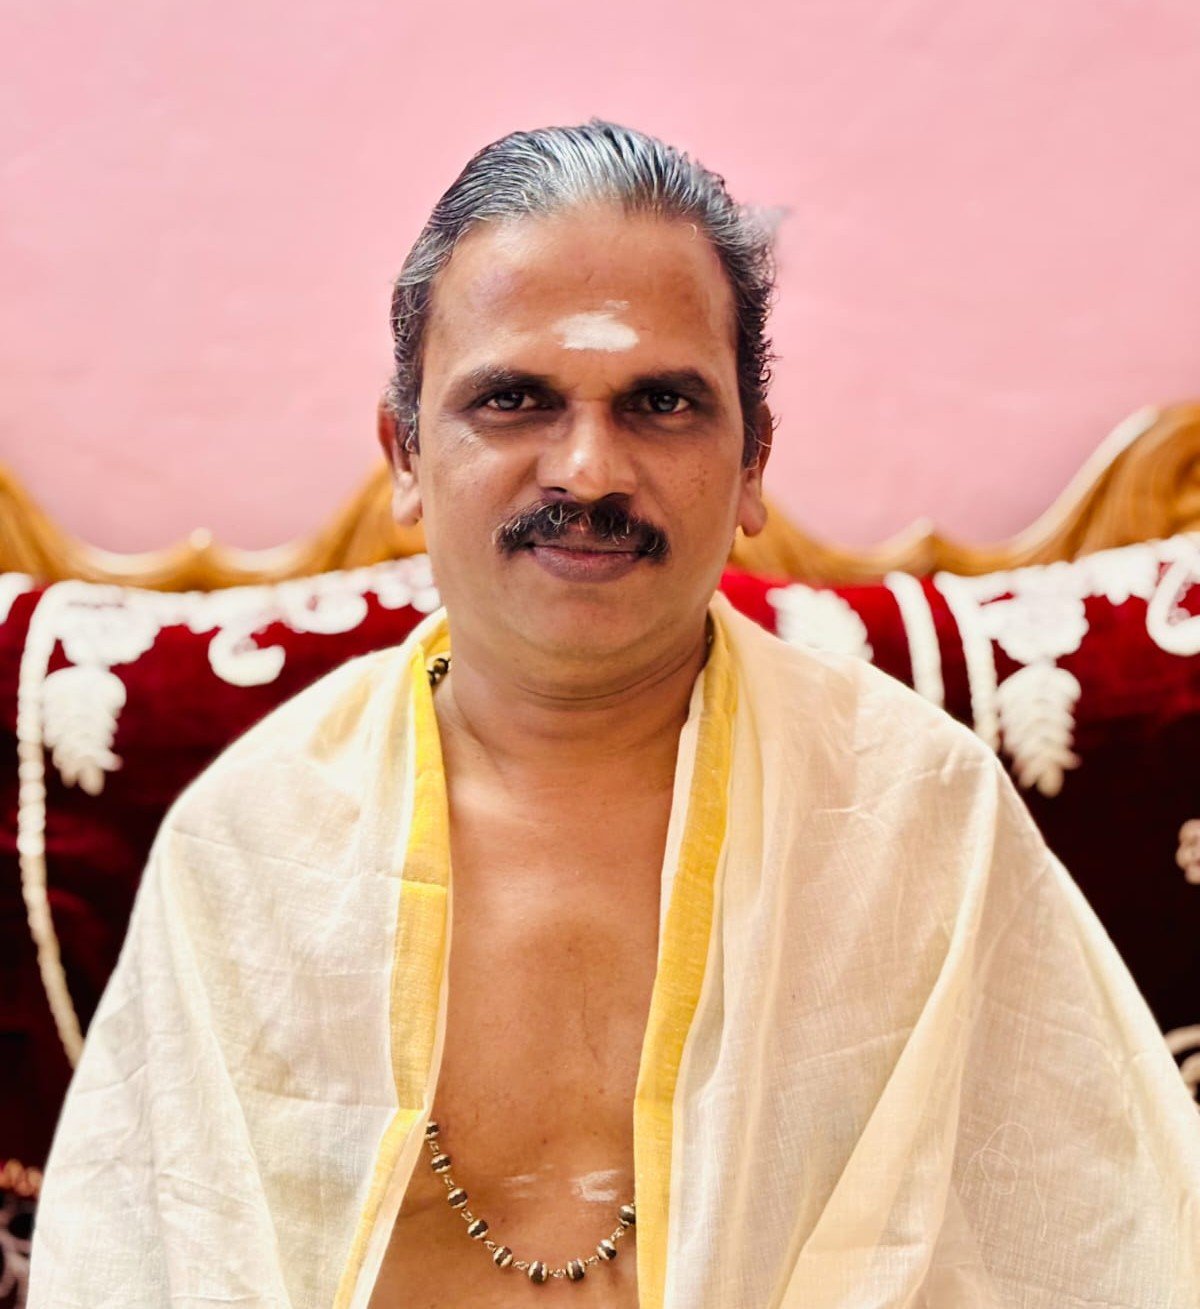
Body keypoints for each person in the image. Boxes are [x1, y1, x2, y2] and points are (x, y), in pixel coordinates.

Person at [29, 122, 1200, 1309]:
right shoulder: (253, 842)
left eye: (660, 403)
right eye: (514, 398)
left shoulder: (915, 817)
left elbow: (1107, 1252)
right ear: (407, 456)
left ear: (753, 463)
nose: (587, 471)